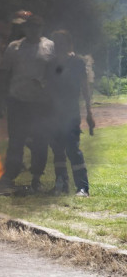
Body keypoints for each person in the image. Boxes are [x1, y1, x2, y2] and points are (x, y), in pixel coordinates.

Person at [0, 12, 54, 192]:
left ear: (41, 28)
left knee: (40, 140)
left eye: (36, 27)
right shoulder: (14, 48)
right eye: (29, 27)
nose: (33, 31)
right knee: (16, 141)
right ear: (25, 28)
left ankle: (36, 178)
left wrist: (46, 85)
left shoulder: (49, 46)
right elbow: (4, 72)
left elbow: (56, 72)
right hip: (17, 100)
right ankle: (10, 177)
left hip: (40, 102)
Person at [47, 30, 93, 197]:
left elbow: (85, 87)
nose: (59, 45)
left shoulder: (77, 63)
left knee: (72, 149)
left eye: (62, 42)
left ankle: (82, 187)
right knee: (57, 149)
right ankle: (61, 183)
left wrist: (89, 112)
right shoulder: (50, 64)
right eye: (56, 42)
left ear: (69, 44)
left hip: (71, 112)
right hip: (53, 112)